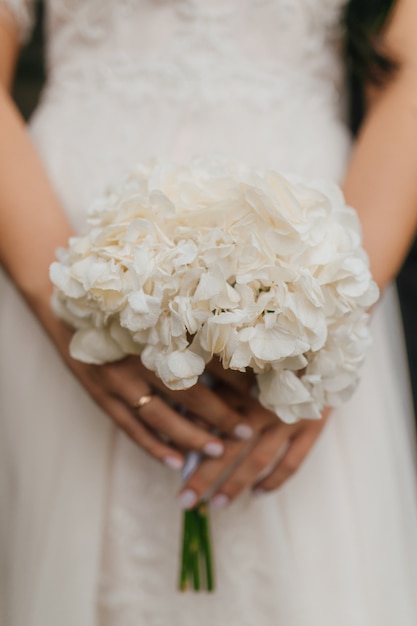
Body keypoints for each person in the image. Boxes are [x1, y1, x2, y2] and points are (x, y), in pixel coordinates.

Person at [1, 1, 417, 624]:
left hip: (308, 246)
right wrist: (62, 305)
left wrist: (334, 314)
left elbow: (409, 71)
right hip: (65, 238)